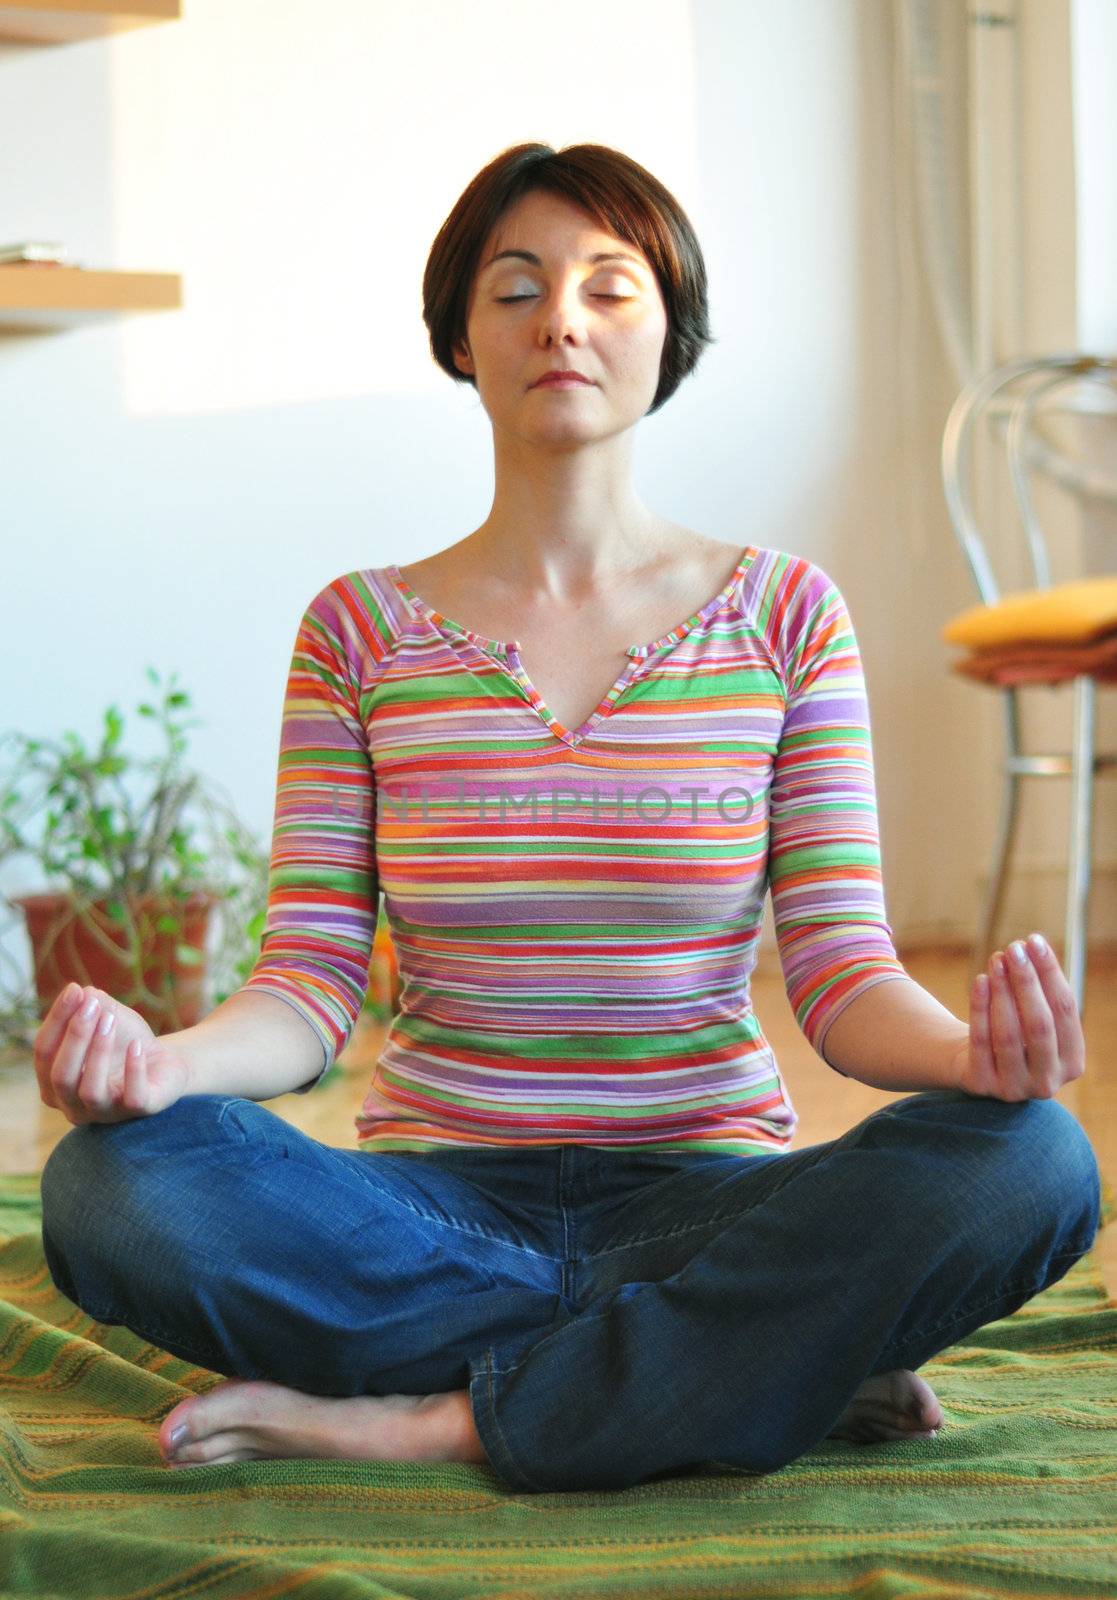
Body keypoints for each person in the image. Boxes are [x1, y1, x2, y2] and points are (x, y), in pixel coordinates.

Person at [35, 142, 1101, 1495]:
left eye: (610, 285)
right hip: (428, 1208)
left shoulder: (785, 617)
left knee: (1031, 1163)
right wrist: (159, 1065)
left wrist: (979, 1060)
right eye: (516, 286)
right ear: (460, 338)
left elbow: (840, 980)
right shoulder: (357, 631)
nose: (561, 320)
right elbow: (304, 992)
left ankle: (443, 1416)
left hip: (709, 1200)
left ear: (669, 330)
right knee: (112, 1188)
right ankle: (746, 1368)